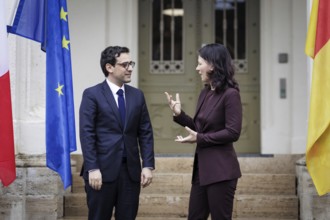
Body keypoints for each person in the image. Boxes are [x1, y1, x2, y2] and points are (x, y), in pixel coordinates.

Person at [165, 43, 242, 220]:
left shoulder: (230, 94)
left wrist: (200, 138)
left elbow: (233, 132)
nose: (197, 68)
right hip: (202, 171)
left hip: (221, 171)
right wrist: (179, 115)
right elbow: (200, 128)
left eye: (200, 63)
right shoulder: (205, 93)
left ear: (213, 65)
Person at [79, 46, 155, 220]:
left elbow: (145, 133)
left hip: (130, 173)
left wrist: (148, 165)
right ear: (109, 67)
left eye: (131, 64)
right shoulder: (92, 94)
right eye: (125, 64)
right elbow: (86, 133)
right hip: (101, 172)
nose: (130, 68)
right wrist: (93, 168)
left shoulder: (137, 95)